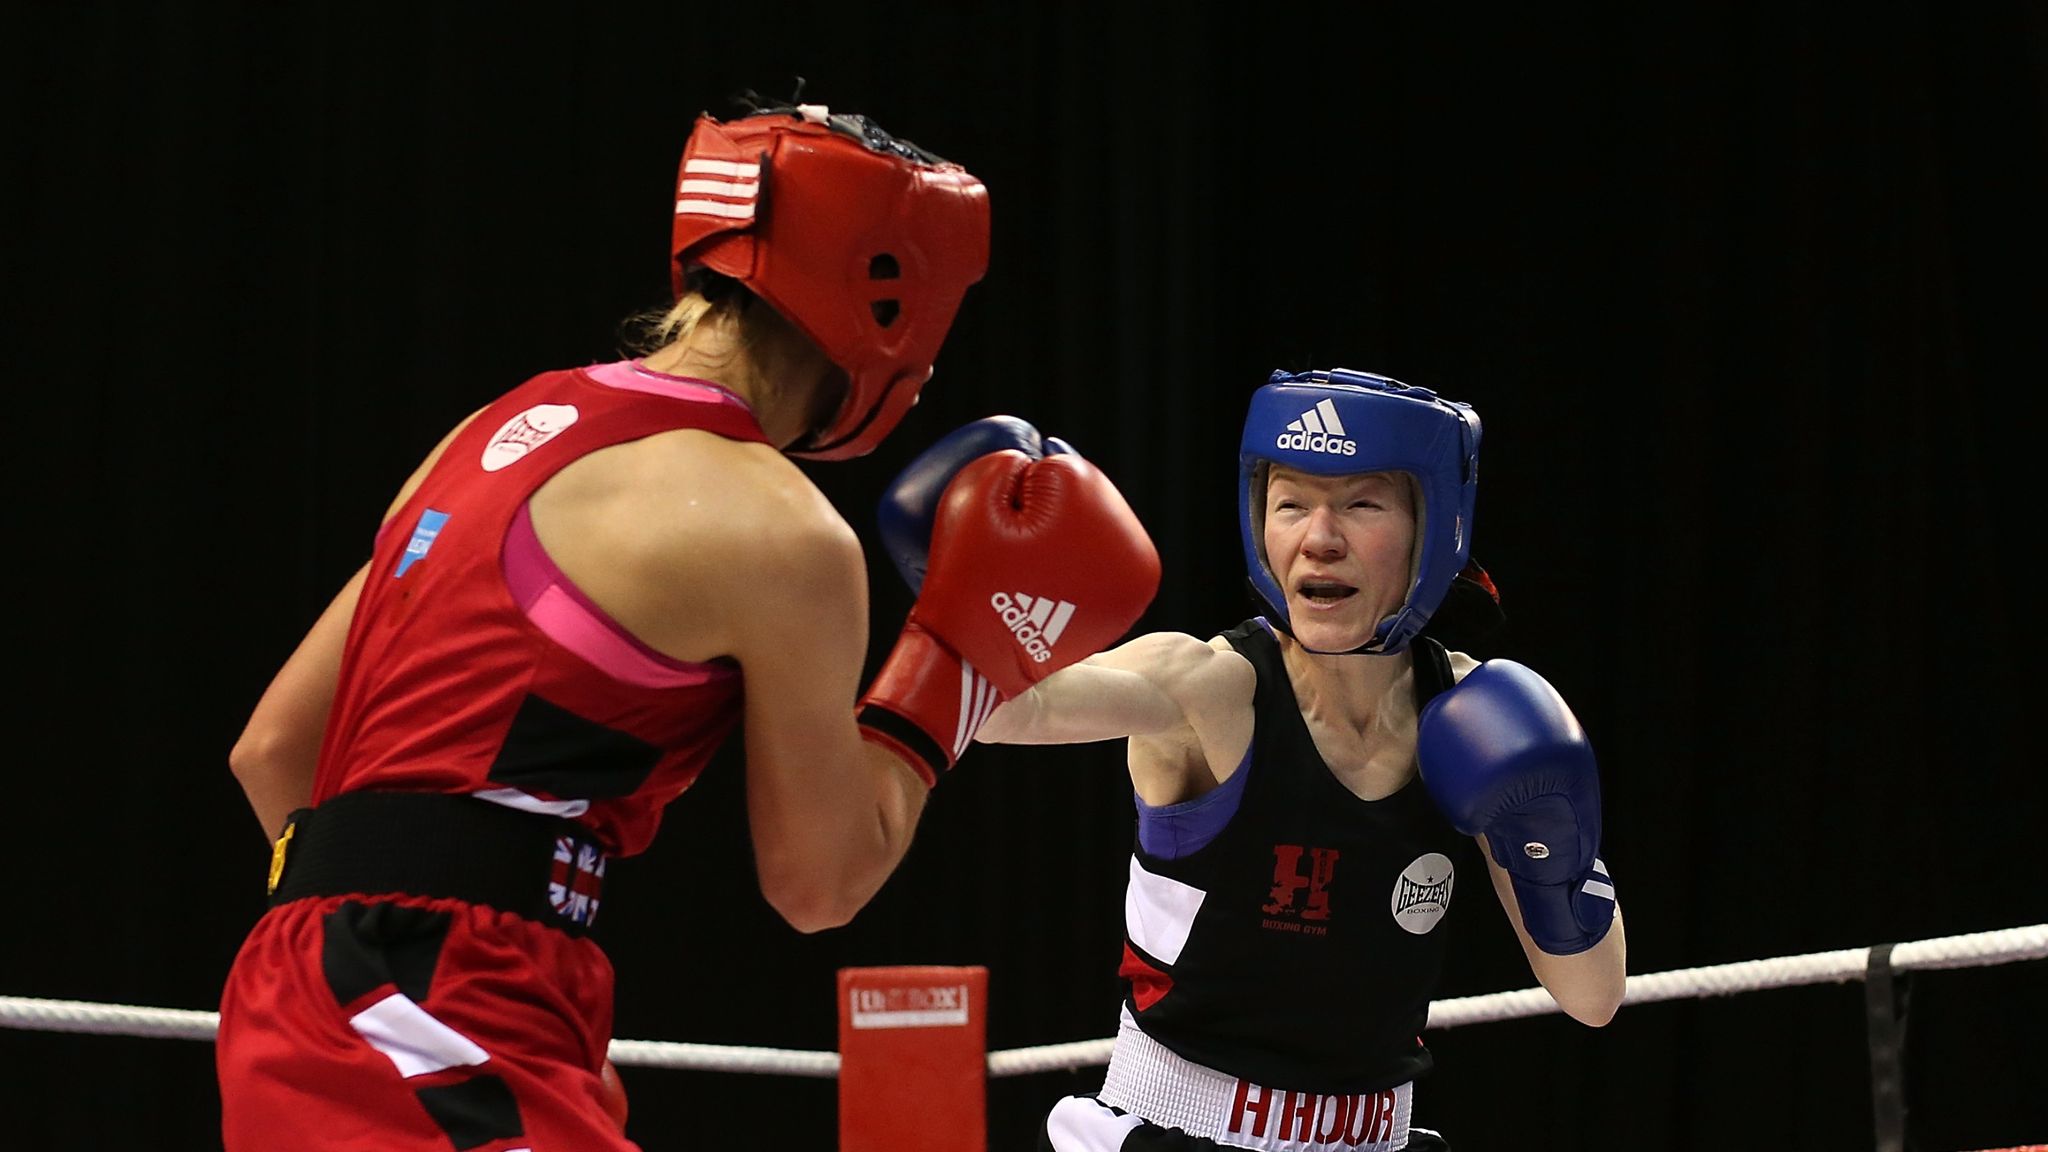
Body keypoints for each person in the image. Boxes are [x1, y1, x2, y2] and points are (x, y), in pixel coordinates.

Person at [217, 97, 1162, 1152]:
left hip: (330, 989)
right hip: (429, 1006)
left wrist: (398, 925)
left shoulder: (498, 430)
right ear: (890, 296)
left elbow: (273, 753)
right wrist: (958, 661)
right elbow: (821, 881)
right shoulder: (777, 527)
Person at [968, 368, 1628, 1152]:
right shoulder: (1209, 690)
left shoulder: (1474, 722)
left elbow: (1593, 996)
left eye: (1360, 503)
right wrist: (992, 600)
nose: (1318, 538)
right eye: (1291, 504)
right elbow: (1004, 714)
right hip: (1179, 1133)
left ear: (1434, 524)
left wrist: (1548, 837)